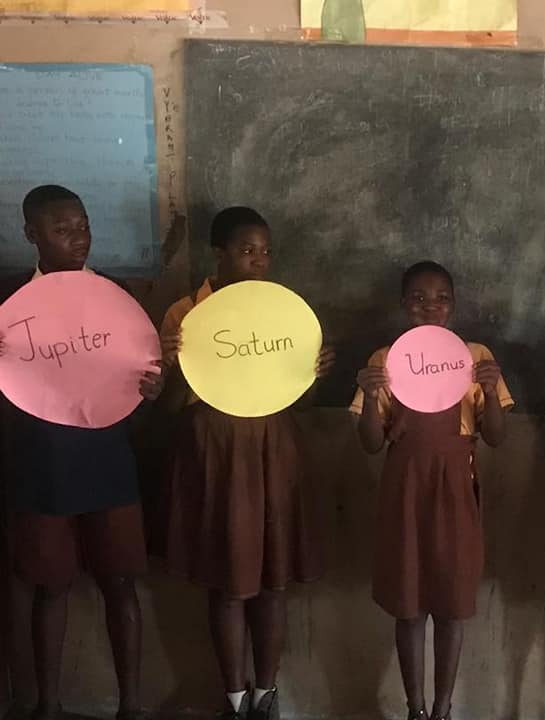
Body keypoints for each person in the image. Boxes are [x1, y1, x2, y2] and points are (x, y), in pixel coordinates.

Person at [158, 207, 334, 720]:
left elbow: (291, 397)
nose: (258, 260)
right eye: (246, 249)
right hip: (212, 451)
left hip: (272, 449)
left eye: (265, 251)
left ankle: (266, 693)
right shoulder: (186, 313)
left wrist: (313, 372)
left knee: (273, 579)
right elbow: (168, 409)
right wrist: (174, 365)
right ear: (219, 252)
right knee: (229, 580)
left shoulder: (284, 314)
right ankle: (233, 697)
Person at [0, 184, 162, 720]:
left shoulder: (115, 297)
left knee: (121, 583)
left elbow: (136, 377)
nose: (79, 239)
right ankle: (48, 706)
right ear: (31, 235)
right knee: (50, 587)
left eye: (84, 226)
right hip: (40, 462)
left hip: (107, 457)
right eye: (62, 229)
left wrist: (149, 391)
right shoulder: (7, 302)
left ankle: (132, 706)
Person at [351, 261, 512, 720]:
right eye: (419, 299)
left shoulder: (474, 356)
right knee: (408, 606)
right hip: (404, 489)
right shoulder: (386, 360)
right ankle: (415, 708)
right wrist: (366, 396)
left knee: (451, 604)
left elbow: (498, 436)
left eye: (441, 298)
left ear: (453, 305)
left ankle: (442, 708)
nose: (431, 307)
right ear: (404, 305)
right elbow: (370, 443)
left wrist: (493, 390)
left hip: (457, 488)